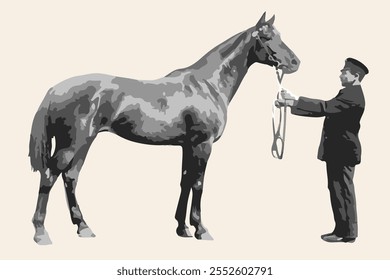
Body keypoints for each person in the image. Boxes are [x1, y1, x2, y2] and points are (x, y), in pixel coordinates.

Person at [278, 58, 368, 243]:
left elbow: (325, 107)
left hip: (343, 152)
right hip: (339, 152)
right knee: (338, 190)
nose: (341, 74)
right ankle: (342, 230)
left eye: (345, 72)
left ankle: (348, 233)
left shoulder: (352, 96)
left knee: (343, 191)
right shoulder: (349, 93)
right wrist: (292, 104)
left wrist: (294, 100)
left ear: (356, 76)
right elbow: (325, 110)